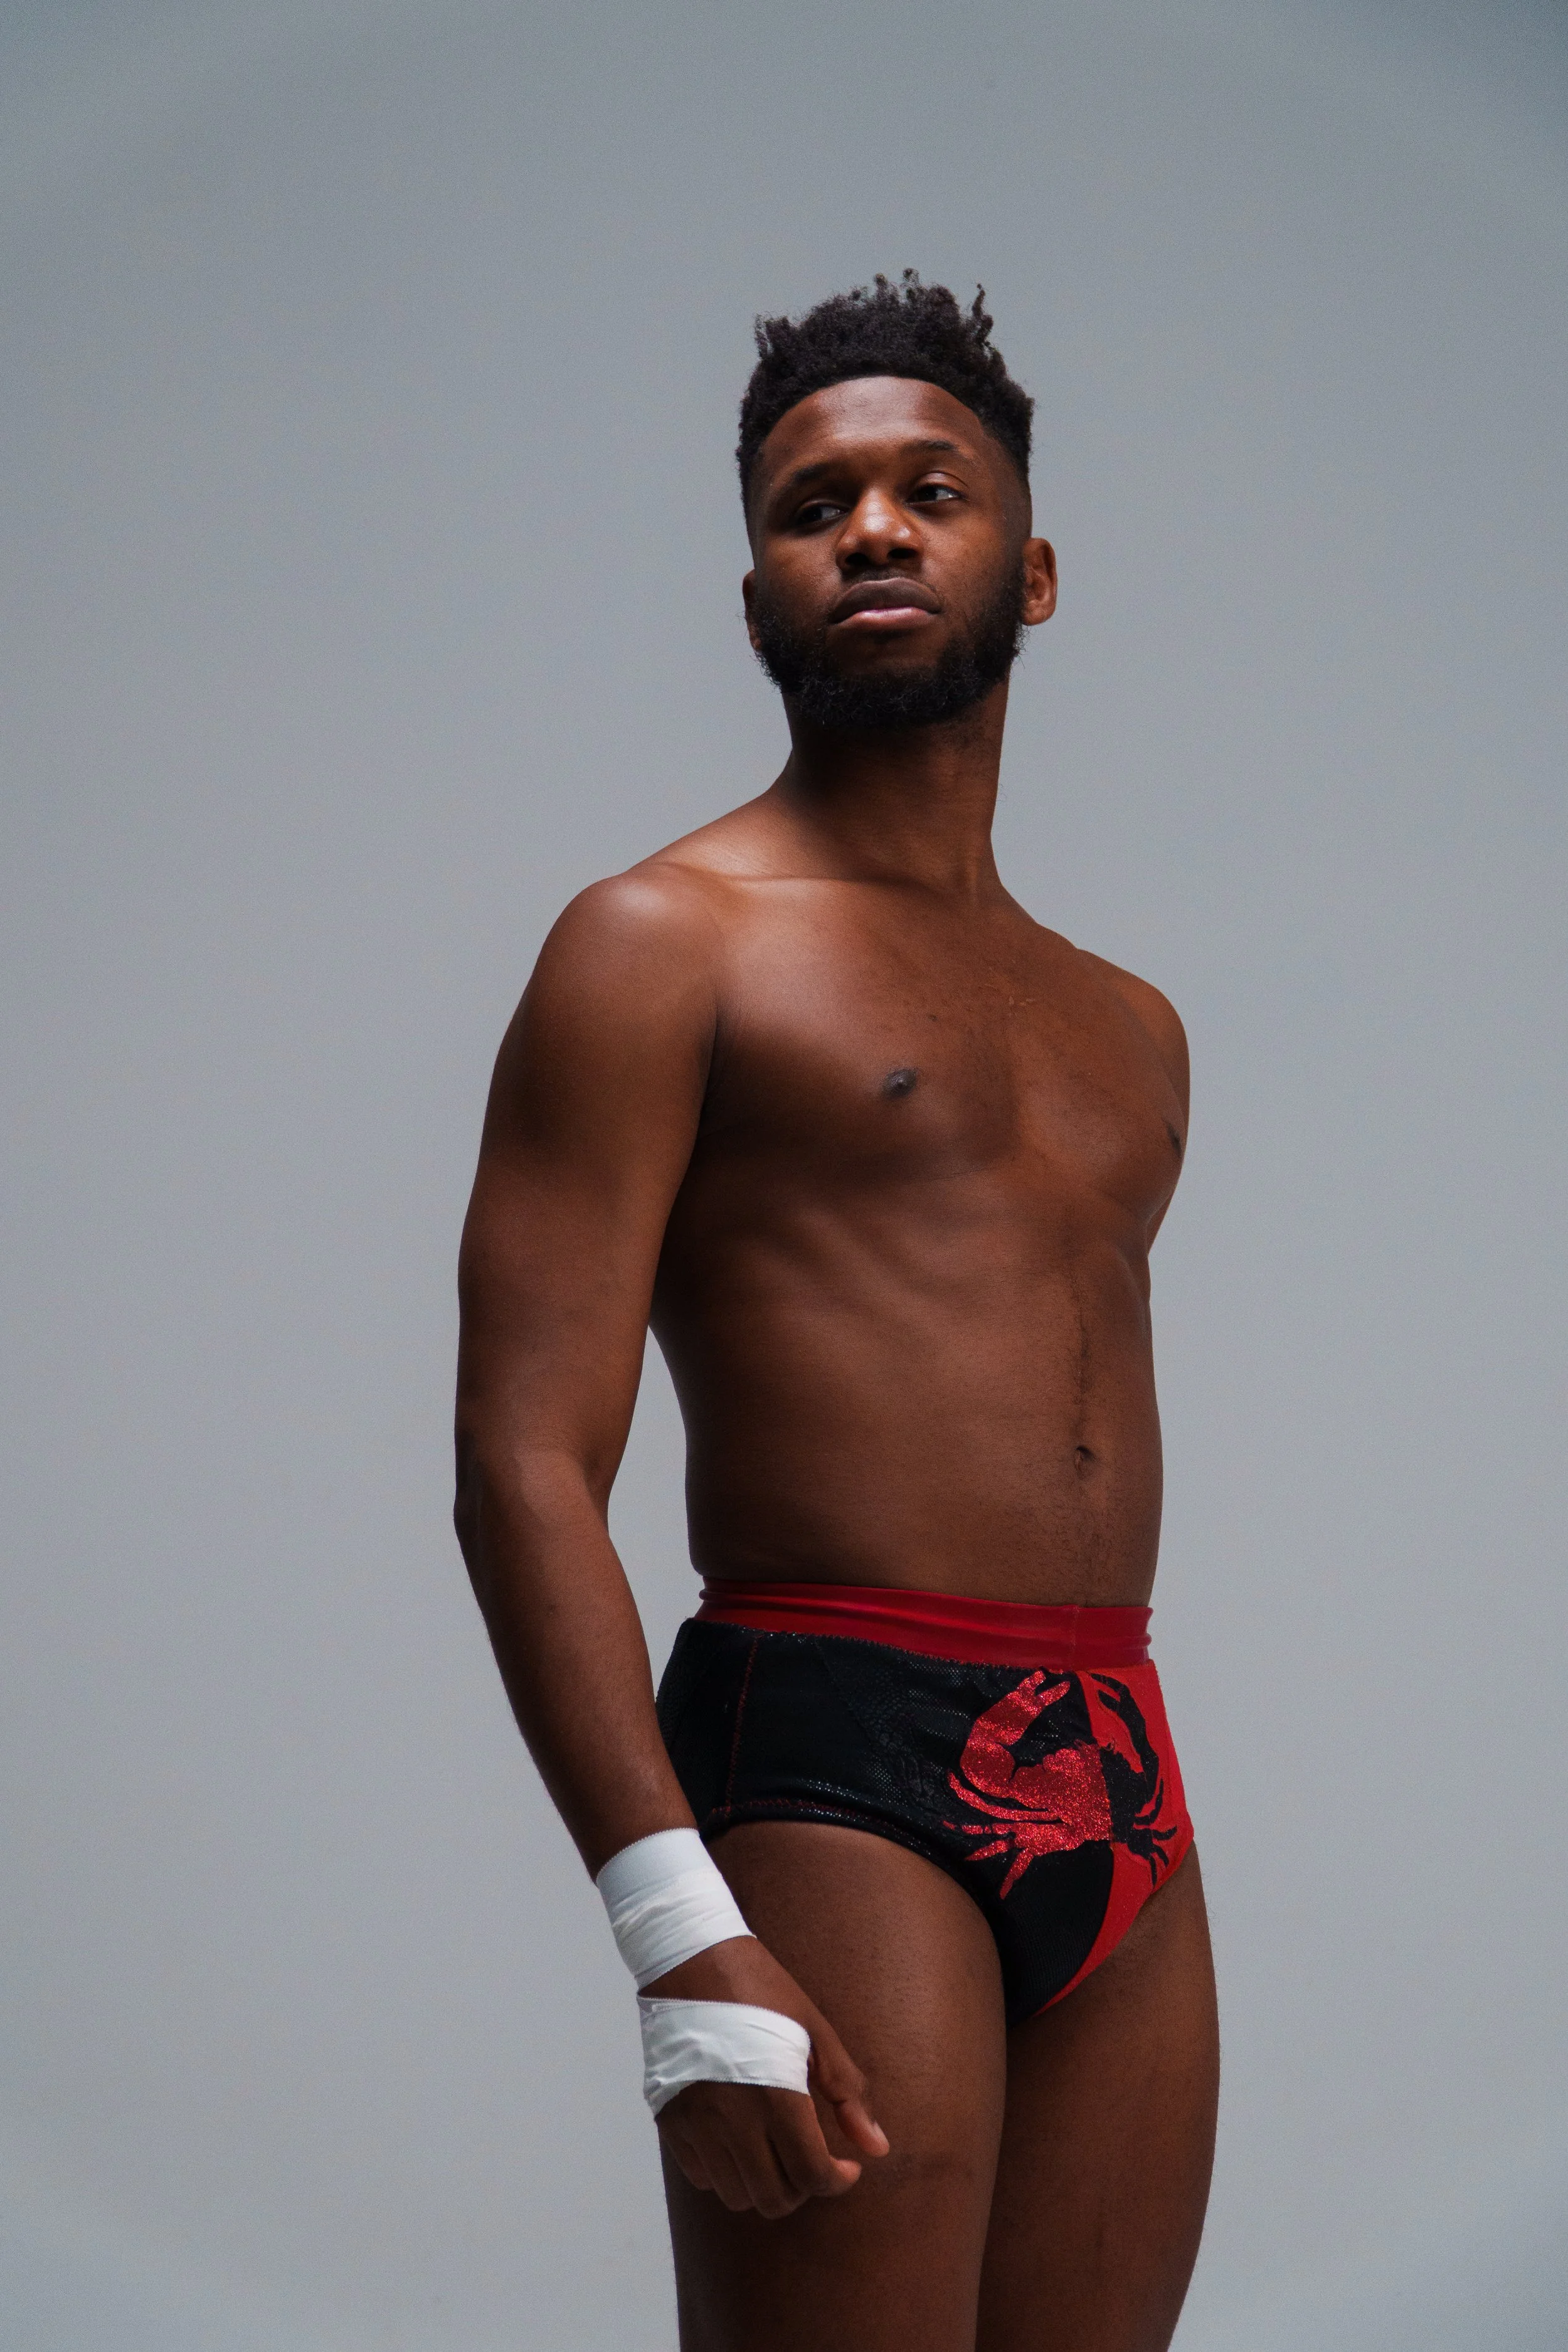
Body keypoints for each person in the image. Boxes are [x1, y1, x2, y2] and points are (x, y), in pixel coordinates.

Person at [453, 272, 1219, 2352]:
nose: (870, 528)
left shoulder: (1126, 1028)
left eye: (926, 488)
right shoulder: (659, 943)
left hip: (1111, 1752)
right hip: (823, 1745)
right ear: (757, 595)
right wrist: (671, 1921)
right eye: (812, 507)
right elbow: (525, 1463)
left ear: (1030, 568)